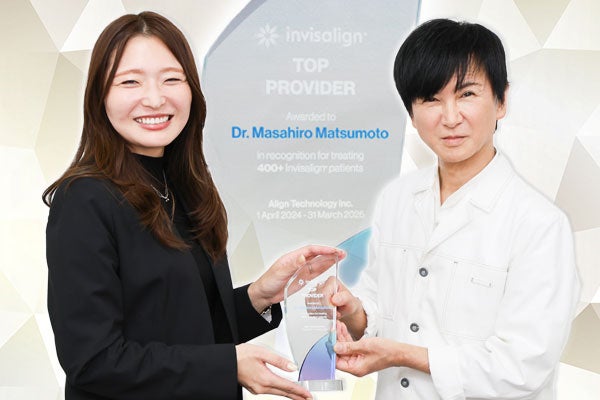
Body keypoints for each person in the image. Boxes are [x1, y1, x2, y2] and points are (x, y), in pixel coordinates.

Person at [43, 11, 344, 400]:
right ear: (100, 96)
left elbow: (191, 329)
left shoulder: (185, 187)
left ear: (191, 90)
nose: (155, 98)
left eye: (171, 79)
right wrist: (228, 364)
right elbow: (93, 361)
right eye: (130, 81)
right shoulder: (84, 200)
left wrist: (261, 294)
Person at [330, 19, 580, 400]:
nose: (450, 118)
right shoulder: (397, 199)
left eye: (466, 94)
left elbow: (523, 365)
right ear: (411, 114)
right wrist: (354, 311)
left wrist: (404, 355)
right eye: (431, 99)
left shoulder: (540, 225)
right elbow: (381, 301)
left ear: (501, 101)